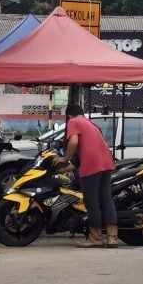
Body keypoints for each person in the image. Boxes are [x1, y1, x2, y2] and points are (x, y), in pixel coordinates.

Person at [53, 104, 118, 248]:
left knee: (91, 202)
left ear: (69, 115)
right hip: (106, 164)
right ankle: (113, 238)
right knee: (106, 200)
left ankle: (96, 238)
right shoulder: (92, 124)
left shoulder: (73, 122)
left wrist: (64, 159)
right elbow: (87, 150)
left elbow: (74, 142)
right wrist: (69, 166)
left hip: (91, 167)